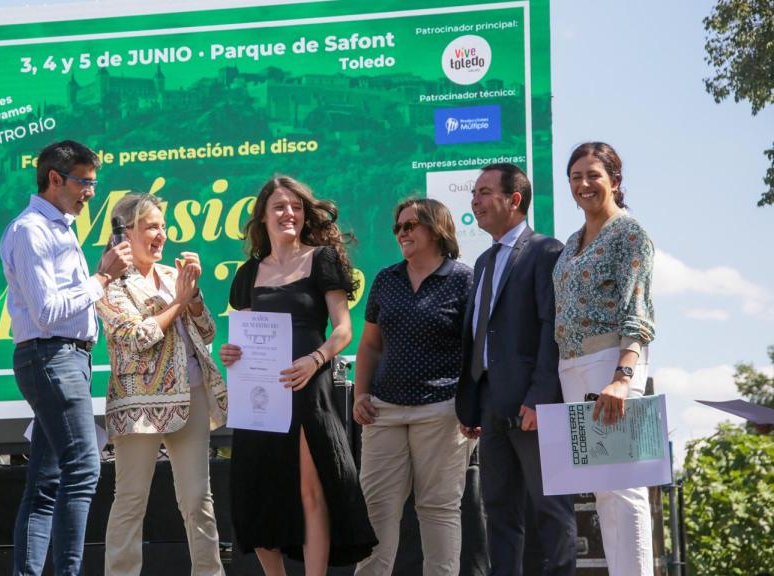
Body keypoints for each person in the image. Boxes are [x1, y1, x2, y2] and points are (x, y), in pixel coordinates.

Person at [219, 175, 377, 575]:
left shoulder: (322, 259)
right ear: (263, 216)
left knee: (312, 491)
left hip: (309, 388)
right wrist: (230, 352)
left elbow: (343, 329)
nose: (288, 213)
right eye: (279, 206)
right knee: (257, 491)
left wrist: (316, 359)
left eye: (296, 206)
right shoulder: (247, 273)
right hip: (261, 395)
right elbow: (242, 336)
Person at [0, 140, 132, 576]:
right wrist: (101, 278)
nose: (91, 192)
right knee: (83, 468)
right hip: (50, 357)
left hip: (64, 359)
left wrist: (101, 280)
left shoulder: (59, 227)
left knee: (45, 482)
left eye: (94, 182)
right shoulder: (31, 230)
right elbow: (48, 311)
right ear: (55, 179)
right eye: (84, 182)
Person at [95, 193, 228, 576]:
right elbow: (138, 337)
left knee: (198, 499)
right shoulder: (109, 284)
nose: (161, 235)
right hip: (137, 405)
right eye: (152, 227)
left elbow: (207, 331)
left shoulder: (173, 275)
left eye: (163, 227)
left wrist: (195, 297)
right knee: (131, 500)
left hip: (193, 394)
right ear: (126, 232)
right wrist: (178, 303)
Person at [454, 163, 577, 576]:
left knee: (550, 512)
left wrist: (540, 398)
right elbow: (478, 336)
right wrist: (474, 406)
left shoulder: (546, 251)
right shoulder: (484, 262)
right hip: (491, 408)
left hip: (533, 407)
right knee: (500, 516)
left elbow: (552, 328)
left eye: (485, 192)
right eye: (474, 192)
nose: (475, 200)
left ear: (515, 200)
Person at [352, 198, 475, 576]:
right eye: (398, 227)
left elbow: (477, 349)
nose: (402, 233)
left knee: (438, 509)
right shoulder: (386, 279)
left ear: (437, 230)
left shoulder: (464, 278)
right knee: (375, 511)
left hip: (442, 411)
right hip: (383, 411)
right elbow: (370, 344)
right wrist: (360, 394)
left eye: (410, 226)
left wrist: (472, 407)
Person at [554, 142, 655, 576]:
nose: (583, 184)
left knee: (624, 487)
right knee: (598, 489)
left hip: (612, 363)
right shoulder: (571, 243)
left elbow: (639, 311)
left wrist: (623, 376)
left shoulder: (629, 233)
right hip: (571, 367)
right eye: (576, 177)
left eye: (593, 175)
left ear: (615, 180)